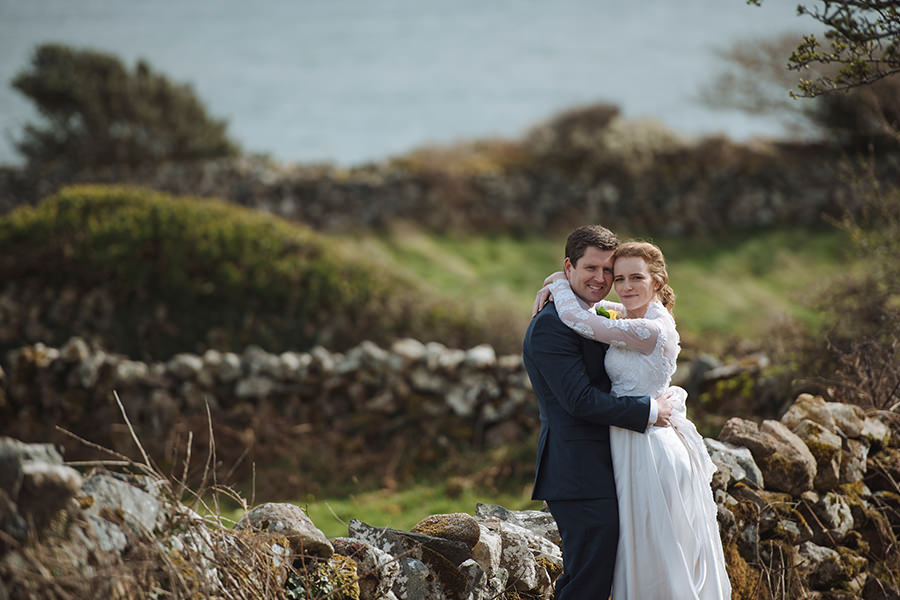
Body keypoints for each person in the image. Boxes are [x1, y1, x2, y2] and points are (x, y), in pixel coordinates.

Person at [534, 239, 731, 599]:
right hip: (626, 443)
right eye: (616, 276)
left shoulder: (650, 328)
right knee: (639, 553)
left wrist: (559, 285)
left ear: (657, 281)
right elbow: (596, 309)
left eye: (633, 277)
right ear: (570, 265)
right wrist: (559, 280)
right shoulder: (634, 315)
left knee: (659, 553)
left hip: (649, 447)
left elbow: (581, 318)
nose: (622, 285)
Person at [522, 225, 675, 600]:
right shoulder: (551, 325)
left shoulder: (594, 313)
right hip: (577, 471)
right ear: (569, 266)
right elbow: (579, 401)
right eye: (591, 268)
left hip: (614, 463)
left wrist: (558, 282)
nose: (602, 279)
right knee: (586, 581)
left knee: (606, 575)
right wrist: (648, 411)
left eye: (609, 271)